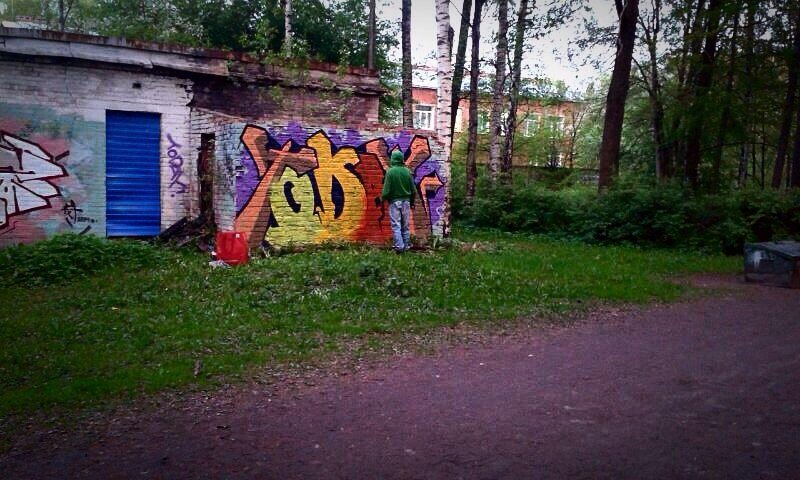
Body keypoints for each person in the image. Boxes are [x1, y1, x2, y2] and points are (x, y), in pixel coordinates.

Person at [381, 149, 416, 252]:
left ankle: (399, 247)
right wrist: (412, 202)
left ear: (392, 159)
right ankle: (406, 246)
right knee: (405, 226)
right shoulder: (407, 172)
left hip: (394, 202)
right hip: (406, 202)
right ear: (401, 159)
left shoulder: (390, 172)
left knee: (396, 225)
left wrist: (382, 199)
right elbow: (413, 190)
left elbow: (386, 191)